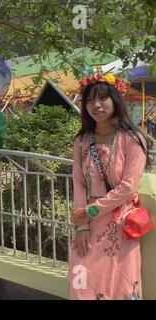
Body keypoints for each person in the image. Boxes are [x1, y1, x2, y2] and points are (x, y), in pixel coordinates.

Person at [69, 72, 152, 300]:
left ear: (116, 100)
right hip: (87, 225)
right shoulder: (82, 140)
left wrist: (90, 211)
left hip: (120, 224)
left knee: (119, 283)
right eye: (90, 100)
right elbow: (78, 181)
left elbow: (128, 186)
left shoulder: (133, 139)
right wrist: (82, 225)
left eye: (103, 98)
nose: (96, 105)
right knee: (82, 279)